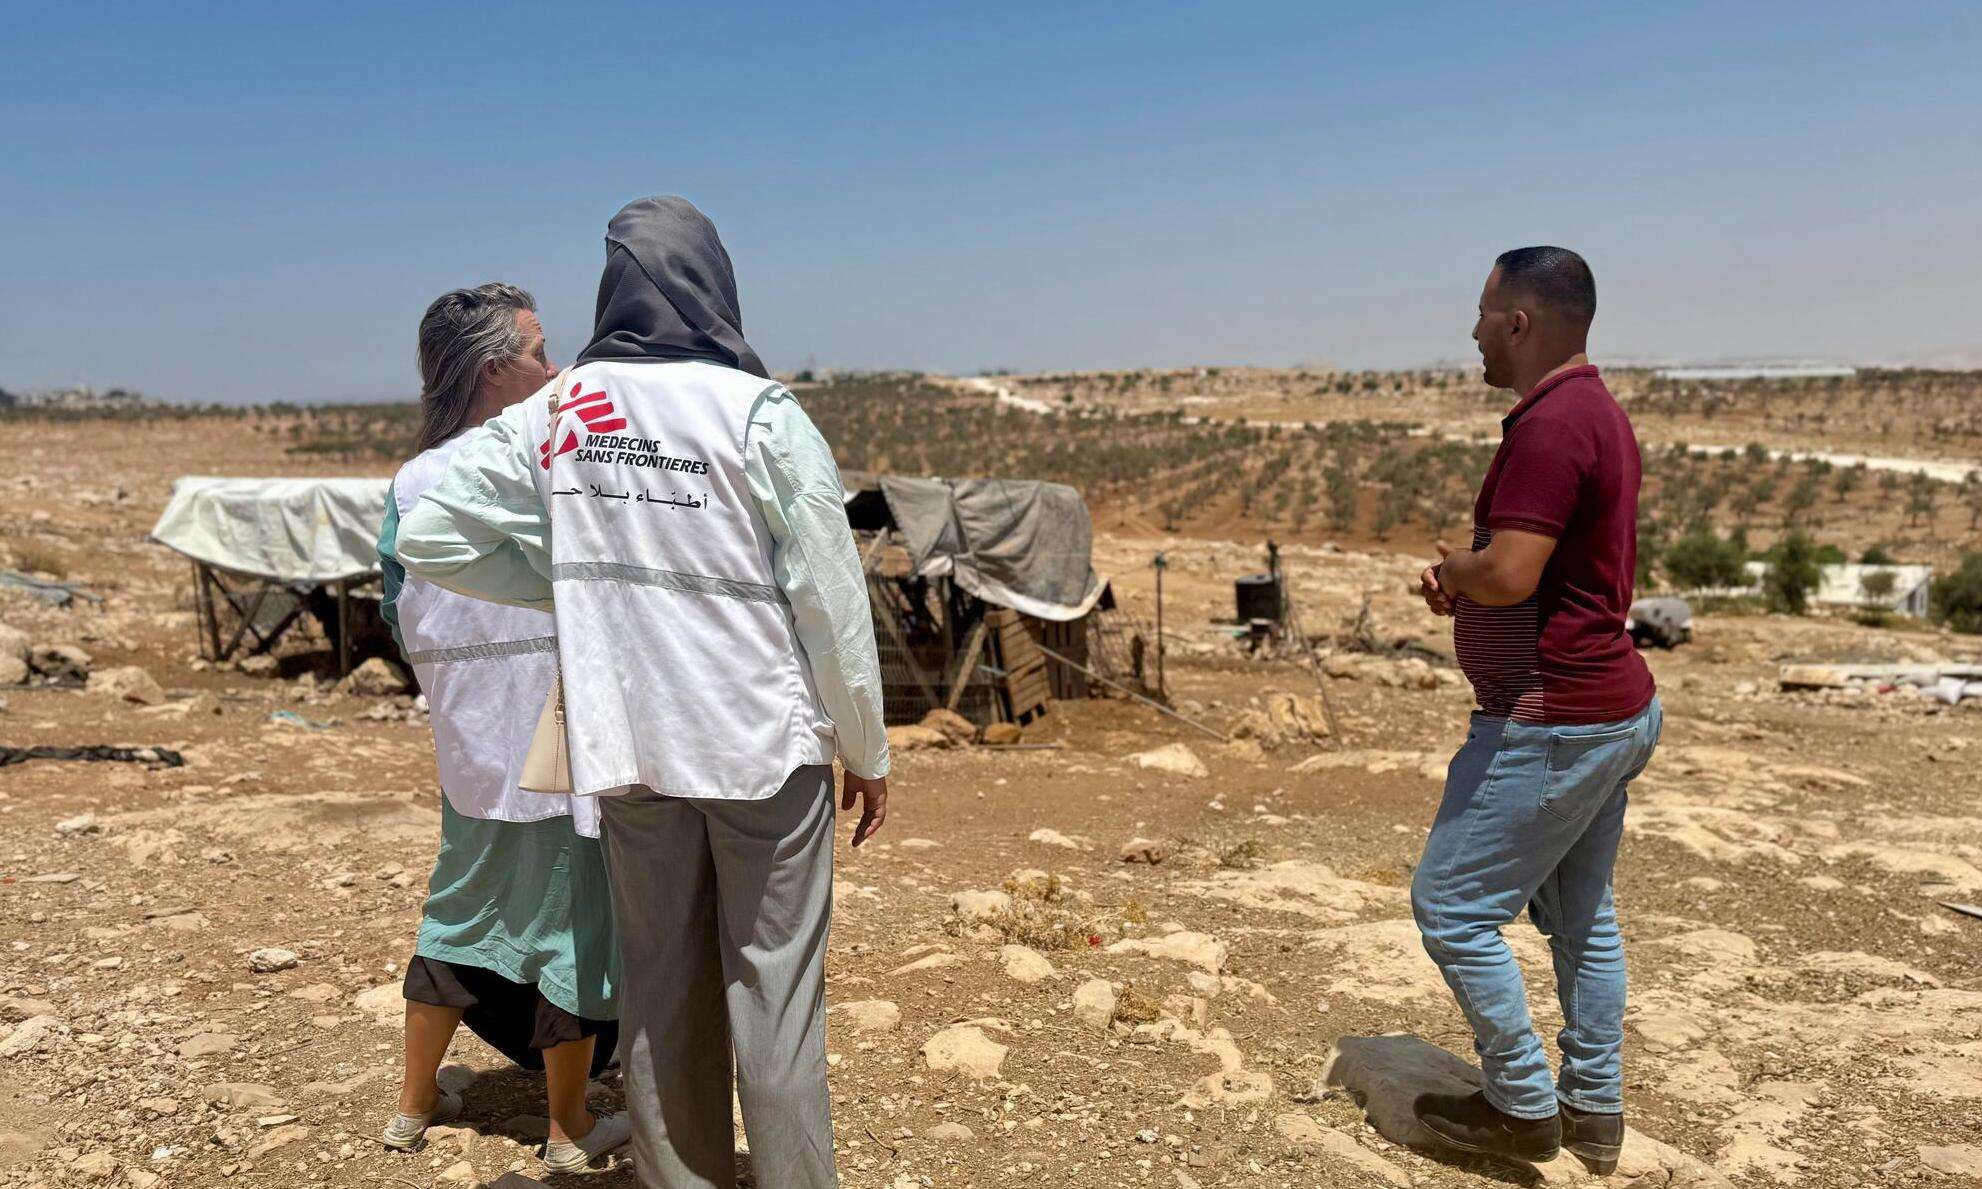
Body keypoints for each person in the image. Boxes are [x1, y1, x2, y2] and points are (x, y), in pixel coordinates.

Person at [395, 197, 890, 1189]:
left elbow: (427, 528)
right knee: (775, 998)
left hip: (628, 752)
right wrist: (866, 747)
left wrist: (575, 585)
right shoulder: (757, 412)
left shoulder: (562, 408)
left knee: (659, 992)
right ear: (714, 282)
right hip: (759, 749)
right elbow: (829, 598)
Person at [1410, 247, 1660, 1172]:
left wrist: (1458, 571)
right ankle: (1592, 1107)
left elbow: (1511, 573)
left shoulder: (1551, 426)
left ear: (1518, 322)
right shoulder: (1595, 410)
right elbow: (1534, 574)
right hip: (1606, 706)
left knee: (1451, 906)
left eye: (1480, 314)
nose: (1471, 331)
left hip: (1551, 717)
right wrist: (1472, 585)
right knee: (1581, 915)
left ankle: (1519, 1108)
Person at [376, 283, 631, 1173]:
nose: (554, 368)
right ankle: (570, 1127)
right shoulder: (540, 465)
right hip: (556, 730)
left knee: (459, 906)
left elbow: (393, 605)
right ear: (495, 370)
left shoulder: (410, 483)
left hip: (468, 741)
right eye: (537, 351)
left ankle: (414, 1103)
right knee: (573, 920)